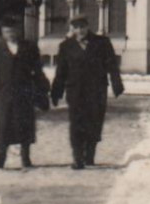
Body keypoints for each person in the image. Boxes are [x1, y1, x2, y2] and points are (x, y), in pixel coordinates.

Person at [51, 16, 124, 169]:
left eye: (82, 27)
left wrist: (117, 84)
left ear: (87, 26)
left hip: (96, 90)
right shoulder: (66, 46)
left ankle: (89, 154)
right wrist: (56, 92)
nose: (80, 30)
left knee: (94, 122)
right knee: (76, 123)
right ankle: (77, 157)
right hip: (75, 91)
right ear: (72, 29)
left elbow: (111, 65)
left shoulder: (102, 43)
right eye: (76, 27)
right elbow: (61, 71)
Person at [0, 20, 48, 169]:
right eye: (7, 31)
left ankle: (25, 158)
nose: (10, 34)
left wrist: (40, 87)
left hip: (24, 92)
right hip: (6, 93)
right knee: (4, 126)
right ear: (2, 32)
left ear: (18, 31)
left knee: (25, 124)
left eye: (12, 31)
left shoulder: (29, 47)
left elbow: (37, 69)